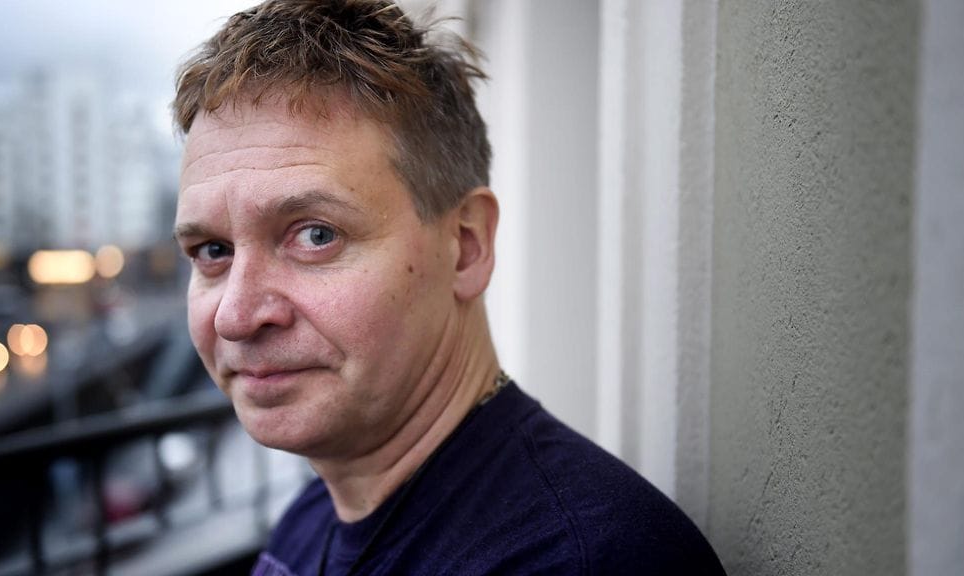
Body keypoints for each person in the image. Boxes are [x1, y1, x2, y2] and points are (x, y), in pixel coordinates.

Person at [172, 1, 725, 574]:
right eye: (212, 251)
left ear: (466, 245)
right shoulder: (312, 515)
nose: (235, 316)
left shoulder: (585, 560)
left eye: (316, 235)